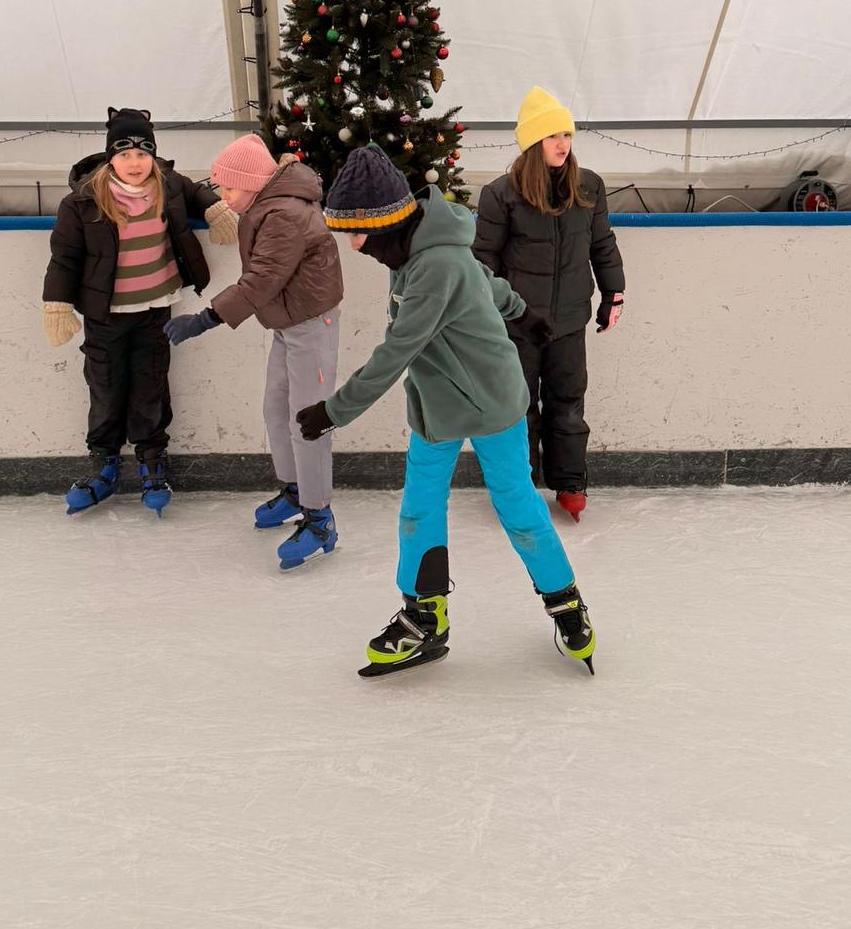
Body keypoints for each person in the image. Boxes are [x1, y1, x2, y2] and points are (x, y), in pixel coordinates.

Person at [295, 145, 595, 679]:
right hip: (437, 407)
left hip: (492, 402)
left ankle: (566, 603)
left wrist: (334, 411)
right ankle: (424, 617)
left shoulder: (435, 262)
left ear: (385, 223)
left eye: (356, 233)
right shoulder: (413, 251)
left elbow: (397, 351)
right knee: (418, 511)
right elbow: (484, 281)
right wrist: (520, 312)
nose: (354, 245)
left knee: (517, 507)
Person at [42, 107, 237, 514]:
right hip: (105, 314)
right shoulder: (83, 201)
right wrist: (57, 304)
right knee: (105, 387)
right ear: (110, 157)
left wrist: (216, 209)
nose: (135, 163)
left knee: (151, 387)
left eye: (143, 153)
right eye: (125, 154)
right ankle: (104, 463)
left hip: (155, 308)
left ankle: (152, 461)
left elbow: (195, 191)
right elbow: (65, 258)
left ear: (153, 155)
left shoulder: (167, 183)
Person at [163, 134, 344, 571]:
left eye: (230, 187)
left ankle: (320, 518)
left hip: (310, 324)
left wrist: (205, 319)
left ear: (253, 182)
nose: (224, 196)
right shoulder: (266, 204)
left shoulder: (283, 213)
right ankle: (295, 491)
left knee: (308, 420)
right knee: (276, 410)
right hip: (287, 321)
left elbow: (263, 278)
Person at [472, 87, 624, 522]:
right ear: (532, 142)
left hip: (570, 319)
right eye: (552, 135)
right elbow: (483, 259)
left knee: (568, 403)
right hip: (518, 323)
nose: (562, 144)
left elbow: (602, 244)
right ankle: (519, 487)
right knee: (518, 408)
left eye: (567, 134)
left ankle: (570, 482)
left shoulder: (588, 185)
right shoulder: (501, 194)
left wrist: (613, 293)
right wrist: (493, 311)